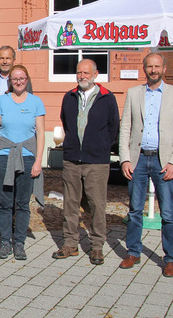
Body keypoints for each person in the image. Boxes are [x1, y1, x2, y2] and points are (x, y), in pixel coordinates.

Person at [53, 59, 119, 265]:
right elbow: (65, 121)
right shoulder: (69, 96)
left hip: (96, 161)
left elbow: (113, 127)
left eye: (86, 72)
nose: (82, 76)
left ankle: (97, 246)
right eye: (79, 72)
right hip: (72, 159)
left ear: (95, 74)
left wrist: (101, 147)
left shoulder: (107, 98)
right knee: (70, 204)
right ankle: (71, 243)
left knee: (97, 204)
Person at [119, 52, 173, 277]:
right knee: (135, 210)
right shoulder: (133, 93)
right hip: (138, 159)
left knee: (168, 213)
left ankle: (169, 258)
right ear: (144, 69)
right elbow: (125, 128)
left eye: (157, 66)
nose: (153, 70)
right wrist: (125, 158)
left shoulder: (171, 94)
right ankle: (133, 252)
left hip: (163, 161)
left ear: (164, 68)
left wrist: (172, 161)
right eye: (149, 66)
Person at [0, 65, 45, 261]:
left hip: (27, 157)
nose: (18, 82)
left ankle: (19, 242)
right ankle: (5, 242)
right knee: (4, 203)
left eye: (22, 78)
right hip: (4, 156)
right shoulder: (1, 101)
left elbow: (40, 133)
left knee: (22, 203)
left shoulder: (36, 102)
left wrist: (39, 161)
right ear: (9, 81)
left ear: (27, 79)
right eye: (14, 79)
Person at [0, 45, 33, 234]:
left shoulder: (22, 80)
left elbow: (29, 103)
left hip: (16, 138)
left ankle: (12, 222)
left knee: (16, 183)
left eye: (8, 58)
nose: (4, 61)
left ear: (14, 59)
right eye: (1, 58)